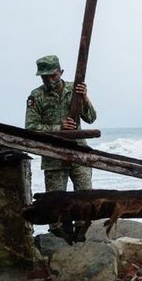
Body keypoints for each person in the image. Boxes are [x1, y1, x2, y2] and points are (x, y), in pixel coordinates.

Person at [25, 54, 97, 242]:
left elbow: (91, 118)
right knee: (55, 200)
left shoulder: (75, 89)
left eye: (53, 75)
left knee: (85, 195)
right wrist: (59, 128)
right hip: (53, 155)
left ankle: (83, 233)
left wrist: (84, 98)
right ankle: (58, 237)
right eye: (45, 77)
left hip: (78, 152)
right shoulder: (36, 96)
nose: (49, 80)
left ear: (61, 72)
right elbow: (31, 128)